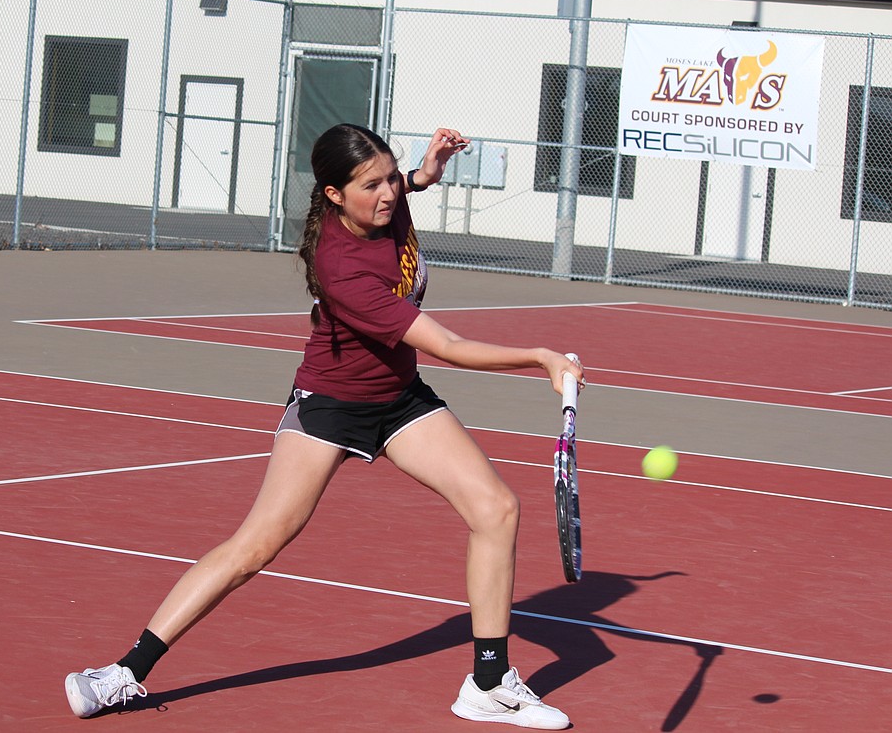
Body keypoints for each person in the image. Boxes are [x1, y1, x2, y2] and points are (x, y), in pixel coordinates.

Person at [64, 124, 584, 729]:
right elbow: (445, 343)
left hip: (398, 398)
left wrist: (425, 171)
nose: (389, 193)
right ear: (336, 195)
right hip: (330, 405)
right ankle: (125, 672)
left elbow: (403, 189)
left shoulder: (383, 204)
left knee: (495, 509)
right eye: (374, 184)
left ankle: (489, 684)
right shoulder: (343, 267)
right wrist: (540, 358)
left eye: (391, 177)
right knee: (255, 547)